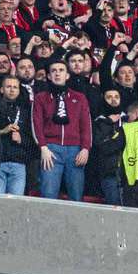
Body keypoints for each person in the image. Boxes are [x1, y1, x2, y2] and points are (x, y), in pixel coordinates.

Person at [33, 59, 91, 201]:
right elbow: (36, 124)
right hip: (51, 150)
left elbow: (86, 125)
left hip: (75, 150)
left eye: (61, 70)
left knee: (76, 196)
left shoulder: (79, 98)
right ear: (48, 76)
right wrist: (43, 147)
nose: (57, 73)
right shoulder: (41, 98)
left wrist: (85, 148)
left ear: (67, 75)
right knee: (48, 194)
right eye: (53, 71)